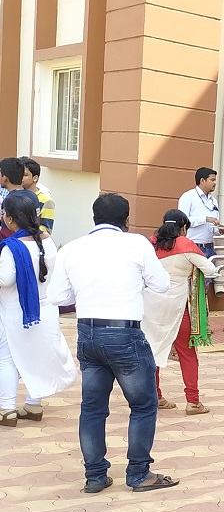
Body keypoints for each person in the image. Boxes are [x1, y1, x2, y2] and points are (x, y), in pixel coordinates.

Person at [47, 193, 178, 493]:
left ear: (94, 218)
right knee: (143, 405)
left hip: (88, 333)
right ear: (126, 220)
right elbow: (161, 284)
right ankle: (139, 473)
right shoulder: (137, 244)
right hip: (125, 334)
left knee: (92, 408)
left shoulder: (73, 248)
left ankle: (95, 476)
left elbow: (57, 297)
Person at [0, 193, 76, 427]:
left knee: (7, 357)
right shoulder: (48, 242)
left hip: (16, 312)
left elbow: (5, 279)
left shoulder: (12, 248)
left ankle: (6, 408)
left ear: (10, 219)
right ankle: (33, 404)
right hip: (44, 310)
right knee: (37, 356)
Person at [141, 209, 219, 416]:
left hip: (150, 307)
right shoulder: (186, 244)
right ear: (183, 227)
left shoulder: (150, 244)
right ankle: (193, 402)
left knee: (153, 351)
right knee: (187, 354)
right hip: (177, 307)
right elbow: (210, 270)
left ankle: (156, 397)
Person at [178, 167, 224, 296]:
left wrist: (220, 231)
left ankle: (202, 309)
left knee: (205, 283)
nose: (215, 183)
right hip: (193, 246)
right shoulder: (188, 197)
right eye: (212, 180)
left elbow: (213, 228)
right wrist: (204, 219)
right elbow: (182, 220)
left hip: (209, 246)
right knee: (191, 284)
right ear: (202, 180)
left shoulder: (213, 201)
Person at [0, 158, 40, 239]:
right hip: (31, 240)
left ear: (5, 178)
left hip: (13, 242)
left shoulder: (10, 200)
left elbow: (7, 231)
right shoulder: (33, 195)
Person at [20, 158, 55, 232]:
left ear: (35, 178)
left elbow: (46, 229)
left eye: (25, 175)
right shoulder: (15, 195)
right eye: (19, 174)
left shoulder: (46, 201)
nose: (21, 178)